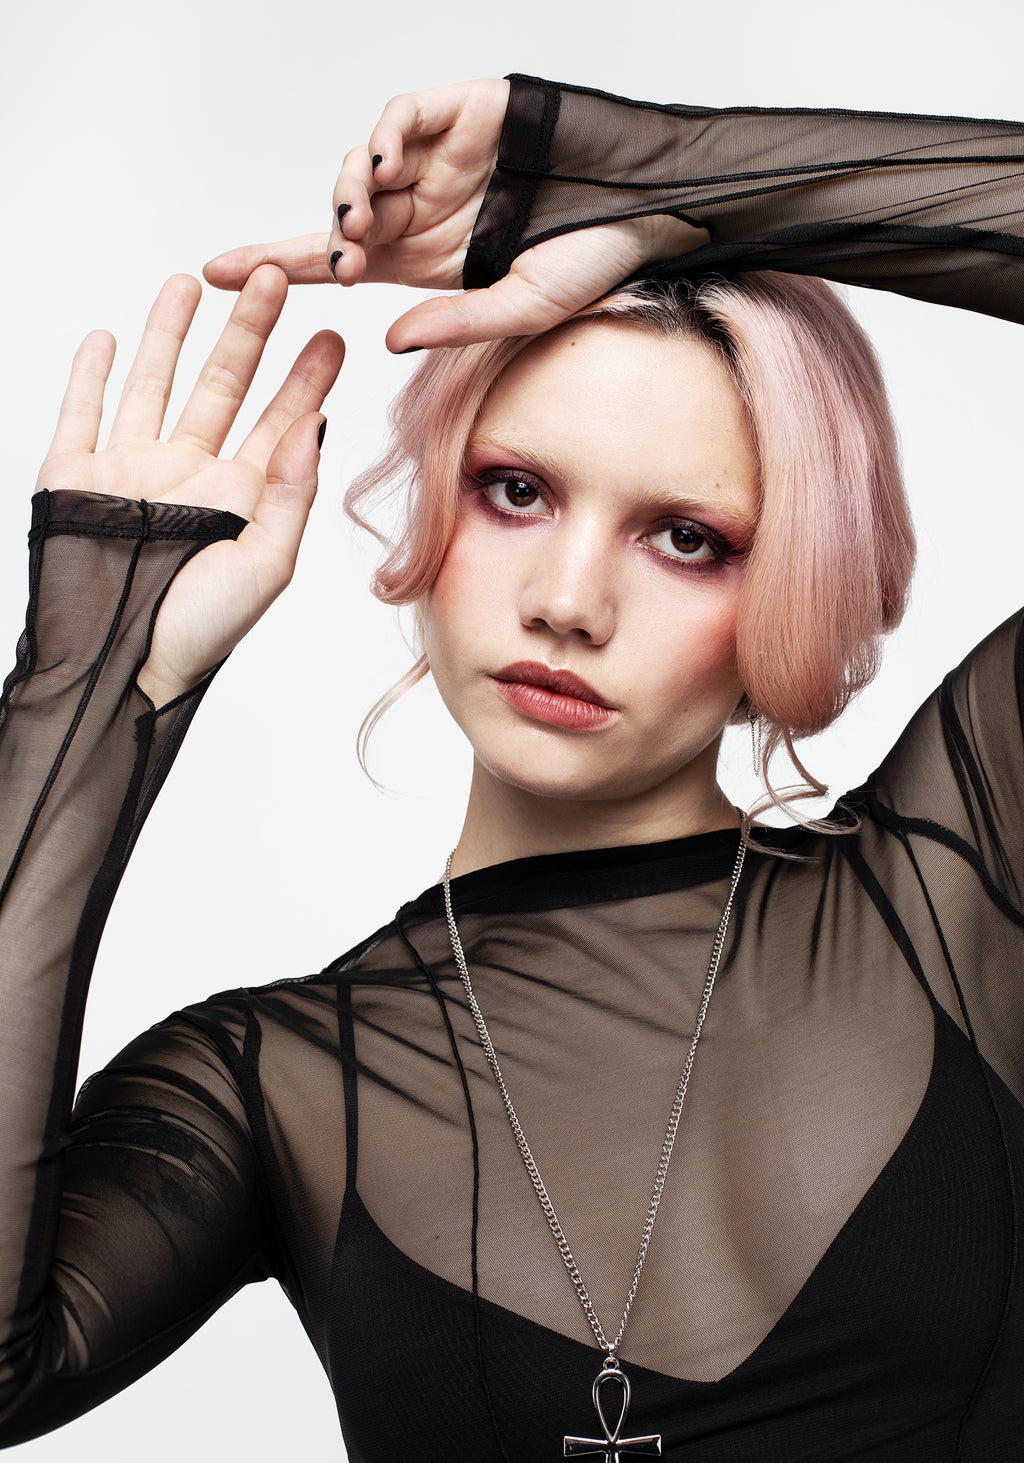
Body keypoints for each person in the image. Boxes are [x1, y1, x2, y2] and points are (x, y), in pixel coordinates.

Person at [2, 73, 1024, 1462]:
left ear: (799, 581)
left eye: (687, 539)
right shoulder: (278, 1078)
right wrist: (90, 691)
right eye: (518, 491)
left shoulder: (961, 889)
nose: (568, 602)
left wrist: (657, 178)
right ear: (432, 512)